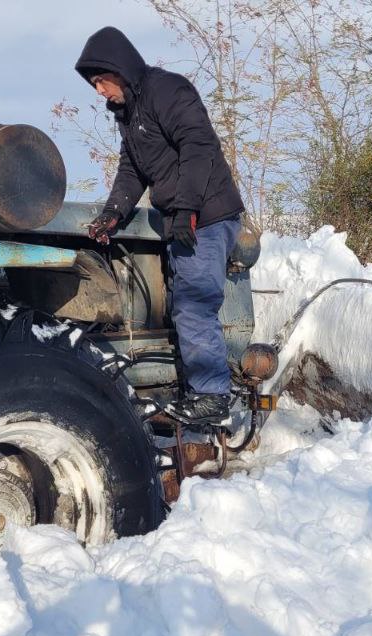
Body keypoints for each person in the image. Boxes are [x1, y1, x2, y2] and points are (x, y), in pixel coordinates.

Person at [75, 26, 245, 426]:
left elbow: (199, 145)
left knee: (194, 304)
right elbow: (133, 168)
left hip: (207, 216)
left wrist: (187, 208)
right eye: (93, 84)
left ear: (120, 69)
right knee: (180, 306)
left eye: (101, 80)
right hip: (181, 220)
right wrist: (113, 213)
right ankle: (195, 389)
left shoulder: (168, 91)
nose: (98, 90)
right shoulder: (128, 113)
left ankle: (212, 397)